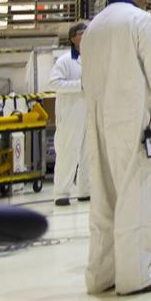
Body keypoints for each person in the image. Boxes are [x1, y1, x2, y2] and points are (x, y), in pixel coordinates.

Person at [82, 0, 151, 296]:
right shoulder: (141, 21)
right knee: (135, 195)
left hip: (97, 119)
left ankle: (101, 274)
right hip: (133, 120)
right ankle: (135, 275)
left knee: (104, 197)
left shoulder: (95, 26)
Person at [48, 22, 89, 206]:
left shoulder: (94, 58)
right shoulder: (65, 61)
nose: (86, 35)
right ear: (73, 38)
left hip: (90, 111)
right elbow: (53, 83)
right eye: (82, 33)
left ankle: (85, 190)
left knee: (89, 153)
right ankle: (61, 192)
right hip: (71, 112)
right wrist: (78, 86)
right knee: (68, 152)